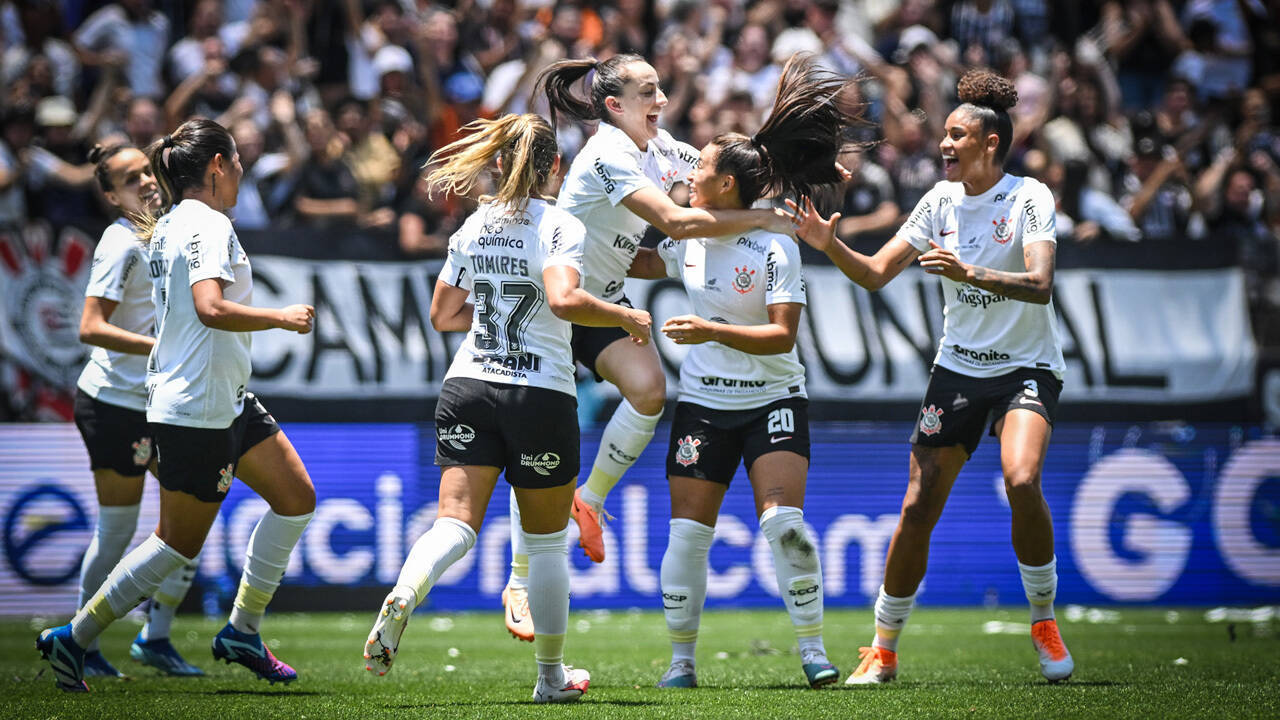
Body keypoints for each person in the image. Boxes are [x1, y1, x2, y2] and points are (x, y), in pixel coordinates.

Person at [490, 51, 789, 644]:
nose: (662, 102)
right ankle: (519, 581)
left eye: (660, 90)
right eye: (649, 92)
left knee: (651, 392)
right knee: (543, 451)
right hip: (558, 303)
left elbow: (713, 179)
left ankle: (591, 501)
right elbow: (678, 221)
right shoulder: (606, 155)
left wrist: (792, 169)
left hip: (603, 301)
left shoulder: (658, 146)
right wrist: (766, 220)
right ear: (614, 106)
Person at [788, 69, 1074, 684]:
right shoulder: (938, 202)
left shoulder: (1029, 198)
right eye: (943, 134)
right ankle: (883, 650)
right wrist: (825, 244)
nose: (943, 144)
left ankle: (1044, 620)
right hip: (958, 370)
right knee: (917, 507)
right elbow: (873, 273)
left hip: (1026, 367)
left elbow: (1041, 285)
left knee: (1022, 479)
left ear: (989, 142)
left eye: (955, 134)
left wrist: (968, 272)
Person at [361, 113, 651, 704]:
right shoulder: (560, 224)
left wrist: (496, 318)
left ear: (498, 164)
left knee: (454, 523)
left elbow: (444, 315)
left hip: (467, 383)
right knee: (544, 544)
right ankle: (551, 678)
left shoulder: (474, 224)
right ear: (556, 169)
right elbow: (565, 299)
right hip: (538, 392)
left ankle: (405, 592)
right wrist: (623, 315)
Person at [37, 117, 317, 692]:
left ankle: (242, 630)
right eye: (237, 161)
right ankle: (76, 636)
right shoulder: (204, 224)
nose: (241, 171)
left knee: (296, 499)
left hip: (226, 399)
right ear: (218, 166)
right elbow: (210, 307)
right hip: (196, 408)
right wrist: (281, 317)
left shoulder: (169, 224)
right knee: (173, 544)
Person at [627, 54, 857, 690]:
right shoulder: (692, 237)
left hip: (774, 399)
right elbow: (647, 263)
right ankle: (681, 663)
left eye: (700, 168)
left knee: (784, 525)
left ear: (726, 185)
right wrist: (595, 254)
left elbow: (782, 334)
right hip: (703, 405)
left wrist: (707, 331)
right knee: (686, 539)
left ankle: (812, 651)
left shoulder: (775, 245)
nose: (691, 175)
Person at [73, 143, 201, 679]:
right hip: (115, 404)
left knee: (191, 521)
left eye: (147, 171)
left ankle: (157, 637)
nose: (147, 182)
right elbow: (90, 327)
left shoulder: (169, 227)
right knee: (119, 530)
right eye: (130, 179)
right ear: (110, 196)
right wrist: (160, 348)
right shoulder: (118, 242)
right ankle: (80, 641)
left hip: (162, 401)